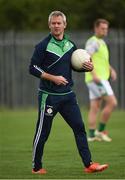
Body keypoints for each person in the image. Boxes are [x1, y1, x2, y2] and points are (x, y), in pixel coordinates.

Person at [29, 11, 108, 174]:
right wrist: (53, 78)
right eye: (53, 23)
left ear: (65, 25)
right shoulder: (43, 45)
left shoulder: (71, 45)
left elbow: (73, 66)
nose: (56, 26)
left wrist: (88, 67)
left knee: (80, 128)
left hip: (68, 96)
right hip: (49, 96)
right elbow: (33, 68)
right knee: (43, 132)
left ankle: (89, 164)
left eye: (59, 23)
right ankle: (36, 167)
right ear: (49, 25)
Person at [85, 19, 117, 142]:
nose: (105, 30)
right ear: (96, 28)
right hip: (97, 79)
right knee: (112, 102)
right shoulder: (93, 42)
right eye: (102, 28)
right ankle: (101, 131)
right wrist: (94, 74)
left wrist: (111, 69)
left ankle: (92, 135)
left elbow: (102, 60)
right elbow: (86, 58)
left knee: (95, 107)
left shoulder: (101, 42)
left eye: (106, 28)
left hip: (99, 78)